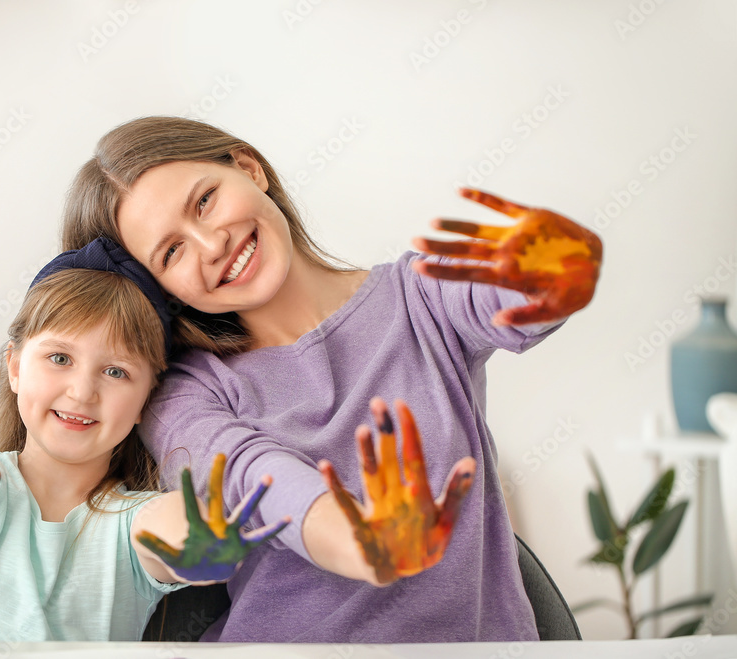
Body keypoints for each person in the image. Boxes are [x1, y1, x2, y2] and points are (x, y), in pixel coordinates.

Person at [59, 116, 603, 643]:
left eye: (205, 201)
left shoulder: (421, 297)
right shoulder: (184, 394)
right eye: (171, 251)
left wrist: (556, 273)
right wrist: (356, 541)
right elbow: (251, 479)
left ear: (249, 169)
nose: (211, 244)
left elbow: (511, 297)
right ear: (161, 290)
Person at [0, 237, 288, 642]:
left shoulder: (131, 522)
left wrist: (195, 544)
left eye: (116, 372)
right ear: (15, 367)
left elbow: (168, 529)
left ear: (146, 400)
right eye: (60, 359)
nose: (82, 392)